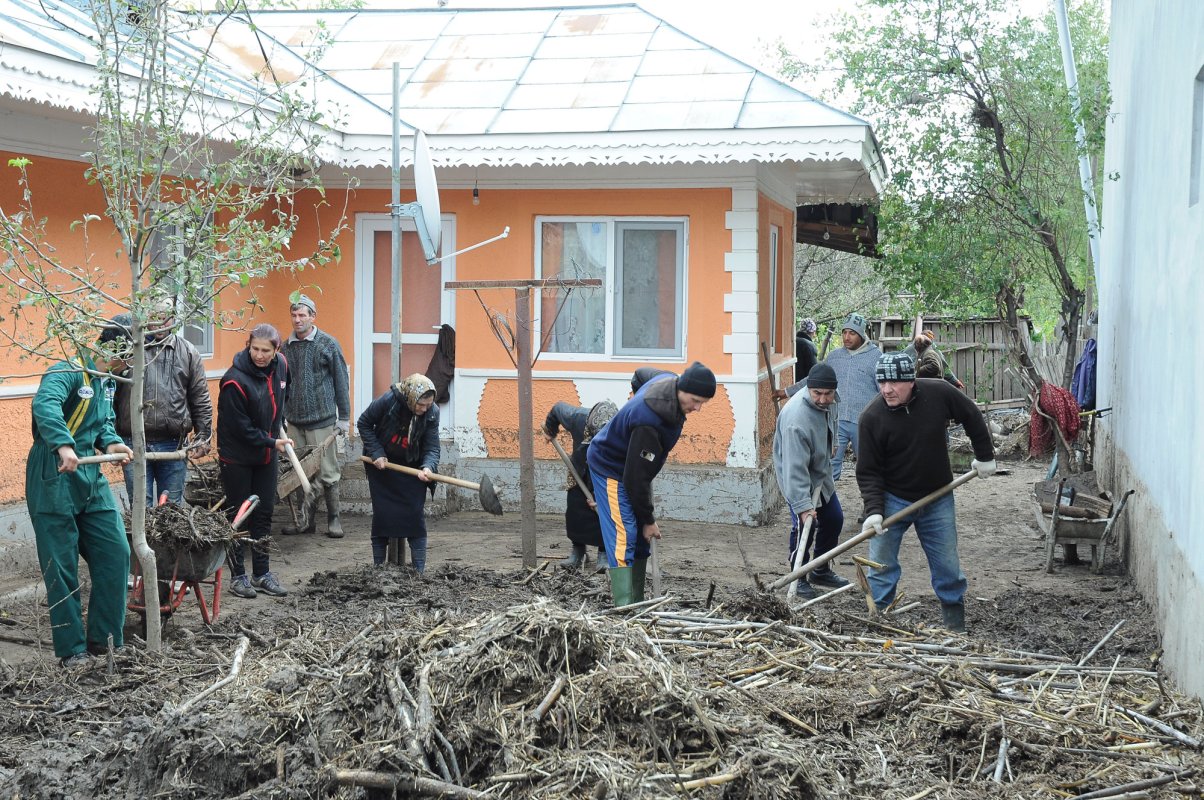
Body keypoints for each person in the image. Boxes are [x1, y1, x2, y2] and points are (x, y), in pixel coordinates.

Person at [856, 353, 996, 632]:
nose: (887, 390)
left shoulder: (939, 393)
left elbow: (971, 414)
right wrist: (873, 511)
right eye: (882, 382)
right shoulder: (871, 418)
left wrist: (984, 455)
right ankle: (880, 622)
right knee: (881, 566)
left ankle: (955, 626)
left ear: (911, 381)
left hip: (937, 496)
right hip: (893, 499)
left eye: (894, 383)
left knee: (947, 565)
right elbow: (868, 471)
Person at [26, 320, 134, 667]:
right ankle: (72, 650)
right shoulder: (68, 370)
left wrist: (113, 441)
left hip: (90, 474)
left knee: (116, 553)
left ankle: (106, 640)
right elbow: (46, 405)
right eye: (131, 356)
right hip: (55, 474)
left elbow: (103, 420)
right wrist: (62, 445)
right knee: (62, 566)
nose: (134, 365)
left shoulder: (108, 382)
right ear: (115, 351)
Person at [587, 361, 716, 606]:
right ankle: (624, 609)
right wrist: (648, 520)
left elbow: (640, 374)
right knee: (625, 534)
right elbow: (635, 479)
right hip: (610, 467)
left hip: (633, 467)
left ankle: (637, 602)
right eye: (695, 400)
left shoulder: (666, 378)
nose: (697, 408)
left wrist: (633, 402)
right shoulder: (649, 420)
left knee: (639, 538)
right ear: (681, 388)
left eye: (703, 403)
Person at [112, 301, 212, 508]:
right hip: (133, 442)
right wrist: (109, 438)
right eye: (155, 316)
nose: (161, 322)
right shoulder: (128, 350)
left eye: (167, 316)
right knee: (141, 507)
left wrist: (203, 436)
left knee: (172, 508)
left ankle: (165, 543)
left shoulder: (188, 352)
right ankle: (142, 542)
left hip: (173, 443)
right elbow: (110, 394)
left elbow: (200, 397)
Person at [218, 324, 292, 599]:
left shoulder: (281, 365)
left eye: (265, 350)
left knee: (264, 513)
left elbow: (283, 396)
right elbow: (240, 428)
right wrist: (272, 441)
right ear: (248, 345)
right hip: (237, 455)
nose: (259, 355)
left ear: (276, 351)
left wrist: (278, 424)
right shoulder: (234, 381)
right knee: (239, 516)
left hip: (265, 454)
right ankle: (238, 577)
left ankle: (262, 574)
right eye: (255, 349)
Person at [772, 363, 848, 600]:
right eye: (817, 394)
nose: (823, 399)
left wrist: (833, 441)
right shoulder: (796, 420)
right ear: (808, 389)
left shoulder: (831, 399)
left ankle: (820, 569)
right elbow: (795, 469)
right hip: (796, 476)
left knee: (834, 518)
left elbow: (832, 417)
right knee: (805, 526)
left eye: (828, 394)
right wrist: (803, 507)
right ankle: (798, 575)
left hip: (820, 470)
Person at [281, 294, 351, 538]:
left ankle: (334, 519)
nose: (297, 320)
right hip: (294, 421)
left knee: (327, 471)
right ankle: (305, 522)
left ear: (313, 316)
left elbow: (342, 381)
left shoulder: (328, 344)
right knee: (299, 473)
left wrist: (344, 417)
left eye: (302, 315)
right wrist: (279, 416)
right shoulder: (285, 347)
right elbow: (280, 384)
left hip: (322, 421)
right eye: (294, 315)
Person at [358, 374, 440, 570]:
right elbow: (364, 423)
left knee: (414, 517)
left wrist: (428, 467)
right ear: (411, 398)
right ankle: (378, 568)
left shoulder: (432, 412)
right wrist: (376, 453)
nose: (424, 409)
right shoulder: (388, 401)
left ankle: (419, 571)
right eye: (420, 404)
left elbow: (432, 447)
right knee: (382, 516)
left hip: (412, 468)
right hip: (383, 465)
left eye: (428, 405)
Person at [542, 400, 617, 570]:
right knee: (576, 509)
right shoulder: (577, 417)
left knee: (606, 511)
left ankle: (604, 553)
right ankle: (578, 551)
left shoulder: (620, 429)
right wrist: (550, 430)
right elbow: (556, 408)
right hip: (579, 469)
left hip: (607, 472)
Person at [824, 312, 882, 480]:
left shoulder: (875, 357)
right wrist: (786, 392)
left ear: (862, 334)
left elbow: (884, 391)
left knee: (868, 468)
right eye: (844, 332)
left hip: (864, 423)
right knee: (830, 466)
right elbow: (815, 380)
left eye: (852, 333)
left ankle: (872, 505)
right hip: (837, 421)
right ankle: (827, 504)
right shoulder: (834, 357)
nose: (847, 337)